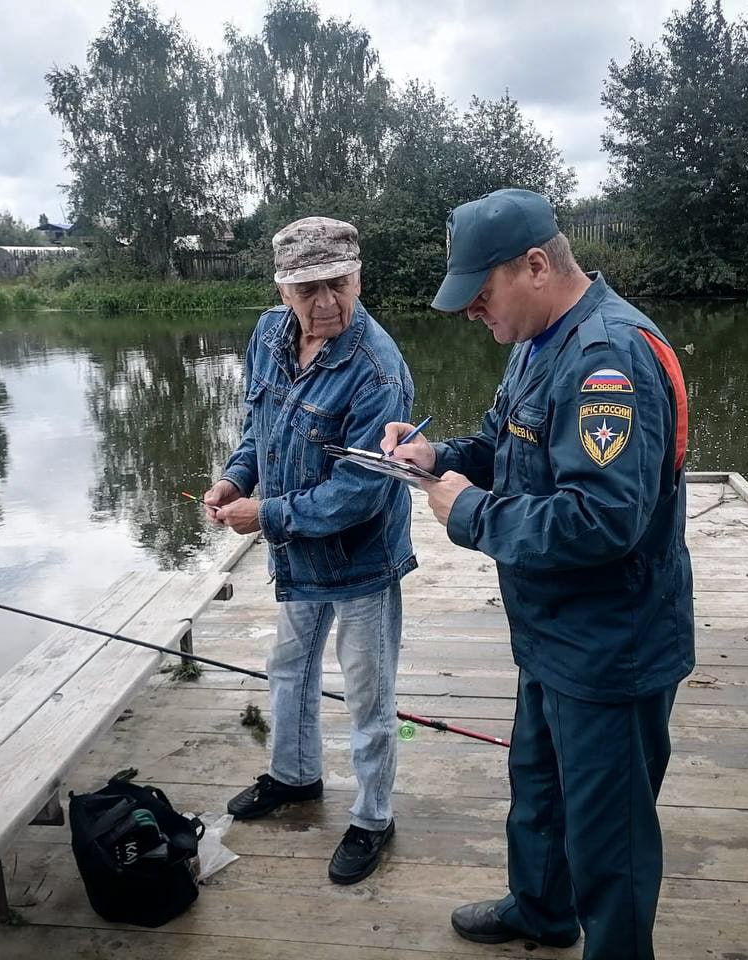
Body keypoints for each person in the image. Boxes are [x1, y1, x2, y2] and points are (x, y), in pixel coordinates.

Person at [382, 188, 694, 958]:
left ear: (534, 265)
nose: (470, 312)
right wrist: (441, 458)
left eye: (480, 294)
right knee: (540, 790)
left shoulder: (607, 359)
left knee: (609, 837)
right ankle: (542, 910)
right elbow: (502, 442)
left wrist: (471, 514)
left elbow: (605, 521)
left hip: (612, 645)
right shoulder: (535, 340)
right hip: (551, 633)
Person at [204, 216, 417, 885]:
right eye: (307, 288)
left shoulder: (379, 371)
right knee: (288, 669)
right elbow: (256, 425)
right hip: (298, 556)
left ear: (359, 277)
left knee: (367, 694)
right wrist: (236, 477)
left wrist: (264, 514)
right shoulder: (268, 334)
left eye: (338, 283)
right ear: (282, 289)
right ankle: (294, 776)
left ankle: (373, 818)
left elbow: (360, 495)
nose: (325, 302)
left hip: (361, 559)